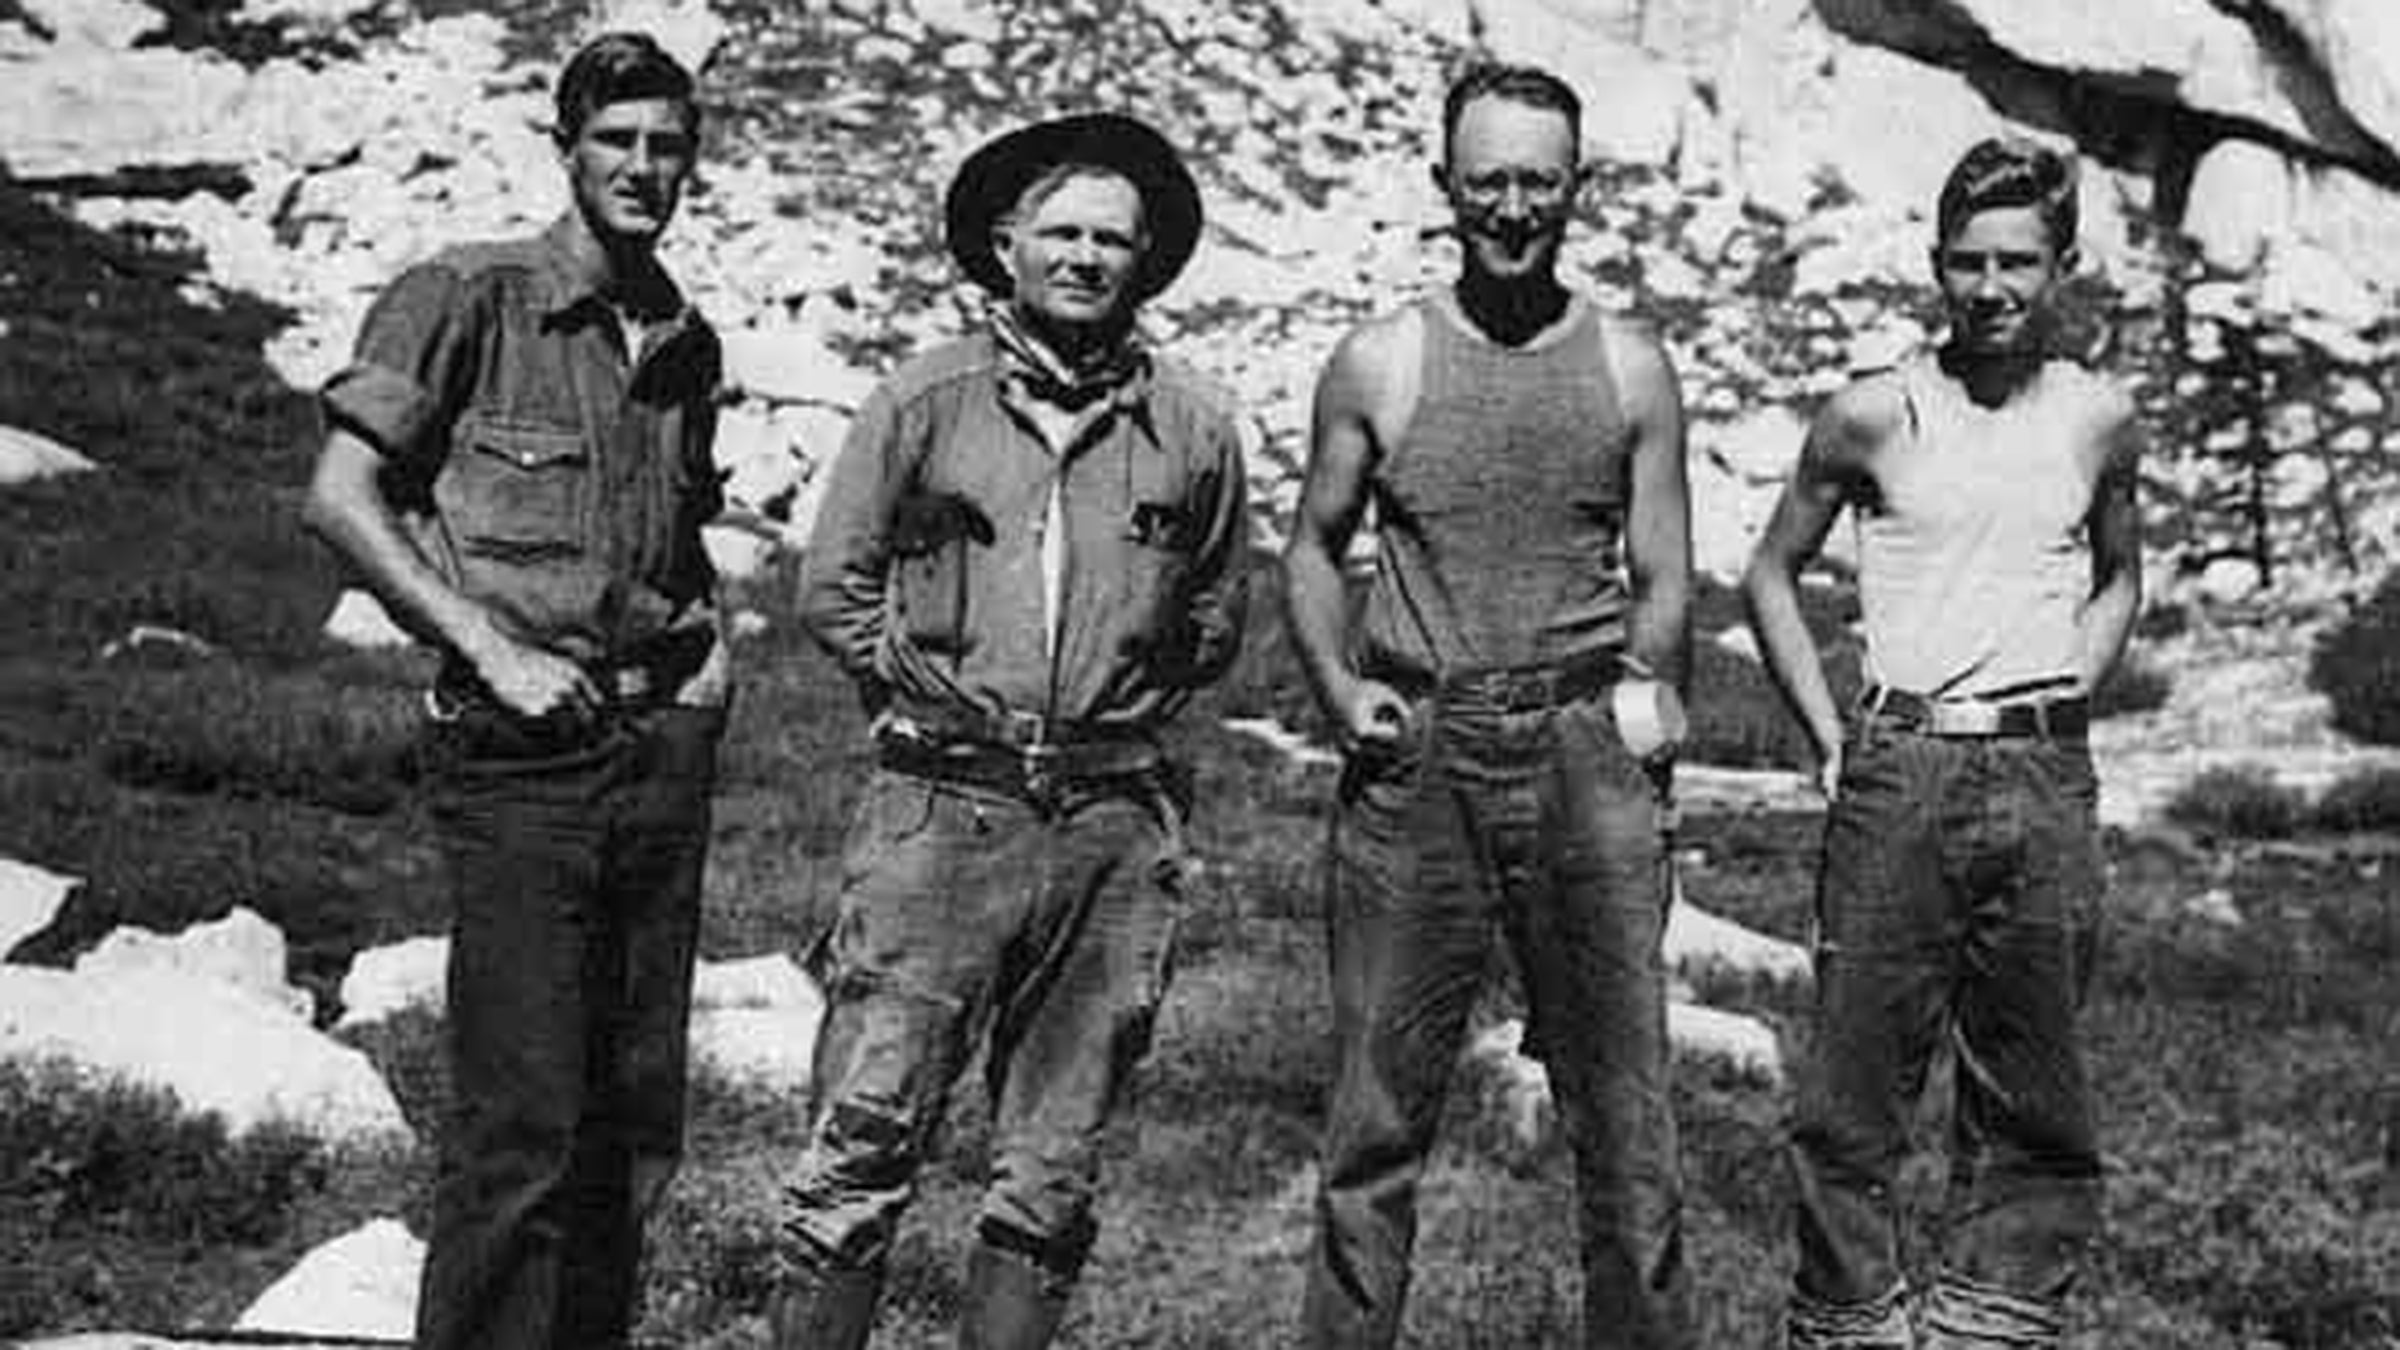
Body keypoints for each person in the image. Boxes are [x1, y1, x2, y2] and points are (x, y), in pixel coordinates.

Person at [779, 112, 1250, 1350]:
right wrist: (930, 693)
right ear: (1006, 246)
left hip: (1108, 830)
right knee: (863, 1143)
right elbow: (834, 585)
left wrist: (1111, 703)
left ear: (1143, 261)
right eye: (1062, 233)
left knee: (1052, 1169)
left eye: (1113, 238)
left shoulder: (1193, 425)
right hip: (942, 819)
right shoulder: (924, 398)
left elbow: (1214, 615)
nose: (1088, 258)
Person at [301, 32, 728, 1350]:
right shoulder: (467, 294)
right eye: (617, 141)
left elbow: (675, 534)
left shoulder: (683, 337)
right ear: (567, 147)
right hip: (520, 756)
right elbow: (340, 496)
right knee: (523, 1123)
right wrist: (488, 646)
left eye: (667, 146)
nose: (642, 168)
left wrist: (708, 668)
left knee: (632, 1115)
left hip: (654, 749)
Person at [1283, 62, 1698, 1350]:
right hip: (1422, 758)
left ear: (1577, 188)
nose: (1512, 208)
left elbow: (1666, 567)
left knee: (1628, 1127)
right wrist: (1341, 692)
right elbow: (1311, 545)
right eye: (1487, 182)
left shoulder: (1629, 366)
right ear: (1444, 189)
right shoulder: (1382, 361)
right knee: (1373, 1123)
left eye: (1538, 181)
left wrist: (1645, 693)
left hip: (1581, 750)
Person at [1742, 137, 2142, 1349]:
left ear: (2061, 267)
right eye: (1967, 262)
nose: (1992, 288)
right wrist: (1829, 736)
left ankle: (1991, 1325)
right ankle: (1852, 1325)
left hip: (2041, 771)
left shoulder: (2097, 417)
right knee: (1853, 1092)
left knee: (2036, 1087)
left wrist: (2063, 689)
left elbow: (2123, 578)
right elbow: (1770, 572)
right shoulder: (1873, 413)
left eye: (2018, 261)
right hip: (1899, 766)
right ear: (1936, 267)